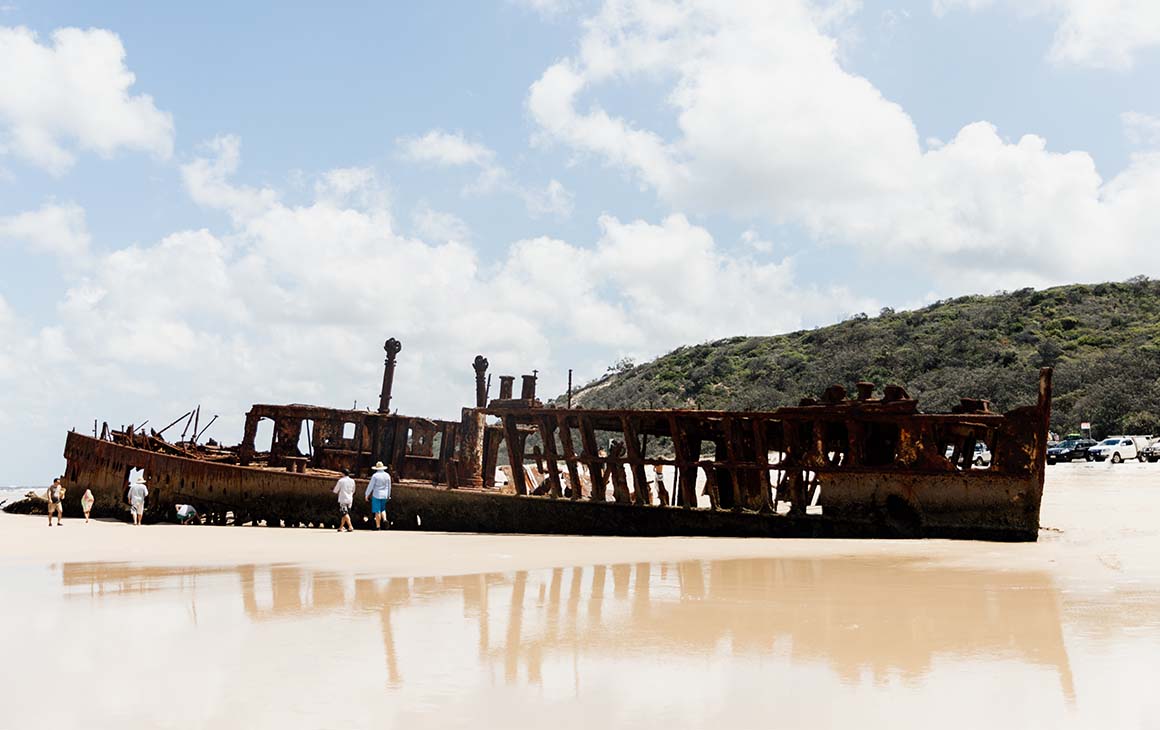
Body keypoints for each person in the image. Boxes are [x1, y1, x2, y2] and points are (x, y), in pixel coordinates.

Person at [365, 461, 392, 530]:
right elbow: (389, 486)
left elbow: (371, 486)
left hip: (376, 494)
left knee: (377, 511)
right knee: (383, 509)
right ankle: (385, 519)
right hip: (385, 495)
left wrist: (367, 494)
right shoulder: (387, 475)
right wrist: (388, 495)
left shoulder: (375, 476)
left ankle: (378, 526)